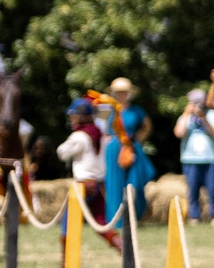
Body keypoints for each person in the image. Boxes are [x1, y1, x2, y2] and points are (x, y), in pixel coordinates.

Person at [102, 78, 154, 226]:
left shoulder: (136, 111)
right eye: (119, 92)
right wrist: (107, 138)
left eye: (124, 92)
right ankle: (116, 219)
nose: (121, 95)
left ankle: (134, 216)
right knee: (114, 182)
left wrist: (139, 138)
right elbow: (101, 128)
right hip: (114, 148)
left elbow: (147, 126)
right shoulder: (109, 110)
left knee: (135, 181)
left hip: (131, 146)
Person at [175, 87, 214, 223]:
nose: (197, 105)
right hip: (190, 159)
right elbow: (178, 133)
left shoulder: (212, 114)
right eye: (194, 102)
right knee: (192, 190)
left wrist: (203, 117)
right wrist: (186, 114)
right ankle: (194, 216)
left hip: (209, 157)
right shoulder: (185, 117)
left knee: (212, 189)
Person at [56, 98, 105, 224]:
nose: (71, 118)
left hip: (84, 184)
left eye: (73, 115)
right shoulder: (100, 133)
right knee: (101, 222)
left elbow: (62, 153)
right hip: (99, 183)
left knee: (68, 223)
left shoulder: (79, 136)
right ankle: (120, 244)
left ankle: (66, 243)